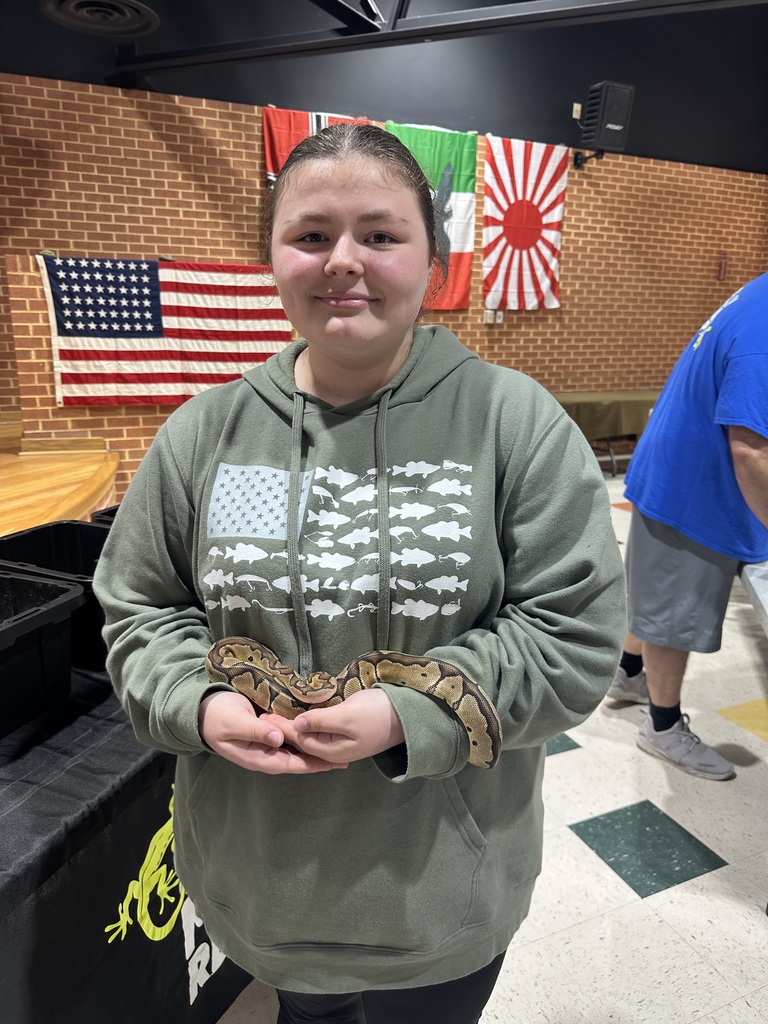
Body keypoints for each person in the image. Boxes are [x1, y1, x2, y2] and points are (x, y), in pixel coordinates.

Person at [93, 123, 625, 1024]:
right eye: (311, 235)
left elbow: (571, 640)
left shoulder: (514, 425)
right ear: (273, 260)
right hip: (264, 885)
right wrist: (198, 701)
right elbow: (141, 608)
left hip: (442, 892)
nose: (343, 260)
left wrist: (404, 716)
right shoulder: (204, 435)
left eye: (379, 234)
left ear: (433, 259)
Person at [606, 274, 768, 781]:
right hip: (692, 488)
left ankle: (629, 672)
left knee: (656, 595)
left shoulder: (759, 293)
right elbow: (751, 451)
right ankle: (662, 726)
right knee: (673, 615)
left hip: (675, 468)